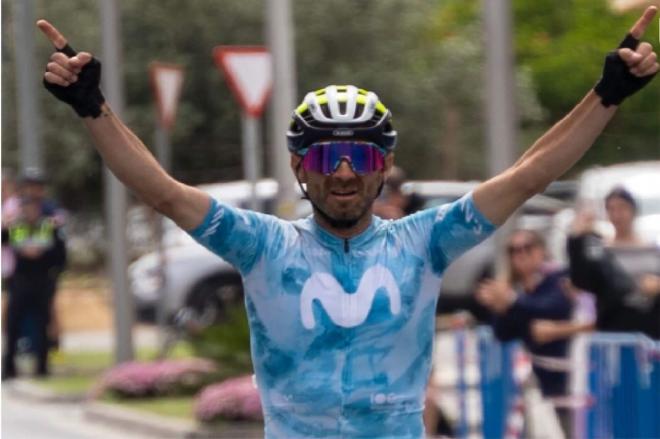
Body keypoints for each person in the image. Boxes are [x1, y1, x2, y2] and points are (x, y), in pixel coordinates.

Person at [35, 7, 658, 436]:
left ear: (382, 166)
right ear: (298, 168)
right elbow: (165, 194)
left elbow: (527, 176)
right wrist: (92, 107)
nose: (342, 173)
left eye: (359, 156)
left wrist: (606, 95)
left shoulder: (426, 242)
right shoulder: (262, 245)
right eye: (325, 157)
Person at [475, 230, 591, 438]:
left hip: (572, 374)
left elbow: (553, 308)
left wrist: (511, 301)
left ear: (541, 250)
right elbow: (504, 333)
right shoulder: (517, 289)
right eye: (514, 250)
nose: (520, 254)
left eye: (527, 247)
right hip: (538, 380)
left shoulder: (558, 277)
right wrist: (501, 307)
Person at [568, 187, 660, 338]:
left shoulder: (653, 249)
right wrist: (577, 240)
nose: (617, 215)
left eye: (622, 208)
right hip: (616, 327)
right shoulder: (600, 250)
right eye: (611, 209)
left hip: (652, 328)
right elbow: (583, 279)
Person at [1, 196, 67, 380]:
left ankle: (42, 367)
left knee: (42, 325)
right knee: (13, 325)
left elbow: (58, 253)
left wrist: (55, 274)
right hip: (21, 282)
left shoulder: (48, 226)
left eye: (33, 207)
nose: (30, 211)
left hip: (41, 281)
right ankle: (8, 368)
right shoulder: (17, 226)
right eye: (26, 207)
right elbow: (10, 243)